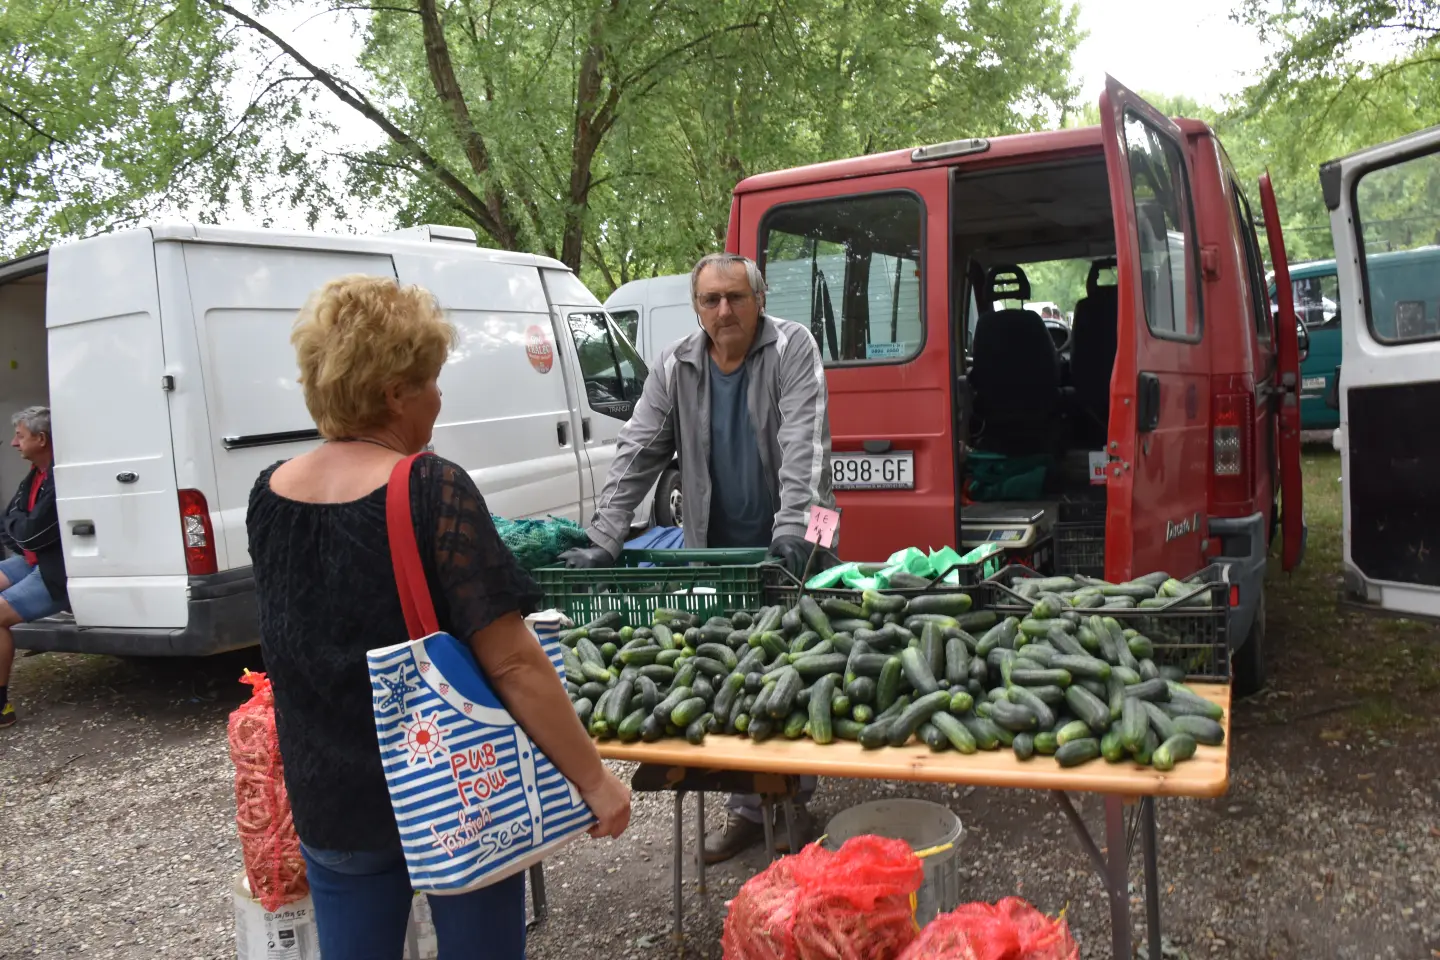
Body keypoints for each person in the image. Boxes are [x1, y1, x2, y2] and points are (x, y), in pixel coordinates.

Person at [247, 275, 631, 959]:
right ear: (395, 393)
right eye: (429, 380)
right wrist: (595, 780)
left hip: (329, 802)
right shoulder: (428, 485)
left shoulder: (269, 494)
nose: (439, 397)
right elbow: (511, 660)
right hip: (452, 792)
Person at [559, 252, 837, 864]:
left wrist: (793, 535)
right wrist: (605, 538)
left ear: (758, 299)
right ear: (697, 308)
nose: (724, 310)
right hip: (716, 545)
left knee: (796, 658)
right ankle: (747, 808)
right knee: (730, 667)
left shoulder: (794, 347)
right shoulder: (677, 364)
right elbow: (637, 452)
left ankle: (793, 806)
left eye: (735, 297)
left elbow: (805, 446)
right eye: (711, 300)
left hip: (803, 528)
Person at [0, 406, 69, 729]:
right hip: (32, 561)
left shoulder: (61, 476)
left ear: (41, 439)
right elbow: (11, 524)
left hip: (53, 571)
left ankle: (2, 706)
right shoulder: (35, 475)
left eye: (20, 436)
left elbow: (33, 532)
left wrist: (23, 532)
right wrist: (24, 534)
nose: (14, 443)